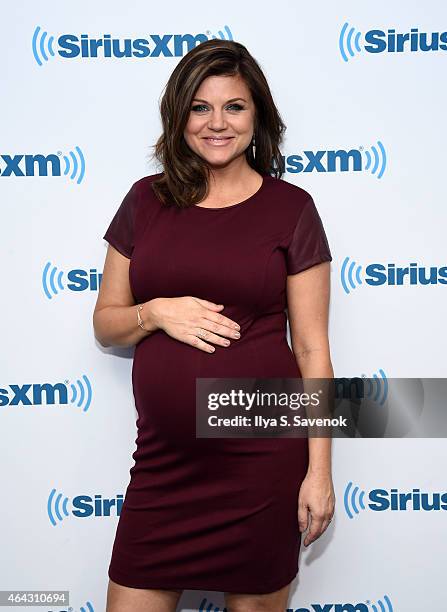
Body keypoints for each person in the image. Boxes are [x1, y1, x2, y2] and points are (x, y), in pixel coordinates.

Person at [93, 38, 335, 612]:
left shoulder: (291, 209)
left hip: (262, 464)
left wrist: (320, 472)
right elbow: (106, 323)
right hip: (163, 467)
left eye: (235, 106)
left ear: (259, 117)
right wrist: (155, 312)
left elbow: (313, 351)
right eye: (200, 107)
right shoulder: (143, 203)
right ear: (179, 117)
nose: (217, 123)